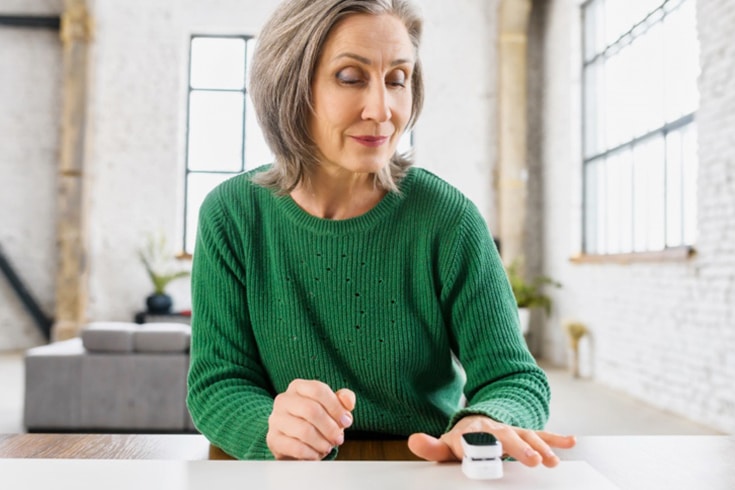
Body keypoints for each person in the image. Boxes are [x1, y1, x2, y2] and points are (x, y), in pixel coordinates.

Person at [186, 0, 576, 464]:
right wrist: (271, 427)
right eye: (350, 77)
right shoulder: (231, 215)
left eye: (398, 80)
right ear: (290, 86)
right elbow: (217, 383)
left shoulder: (447, 218)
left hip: (423, 468)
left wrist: (483, 421)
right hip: (294, 476)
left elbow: (515, 379)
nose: (382, 109)